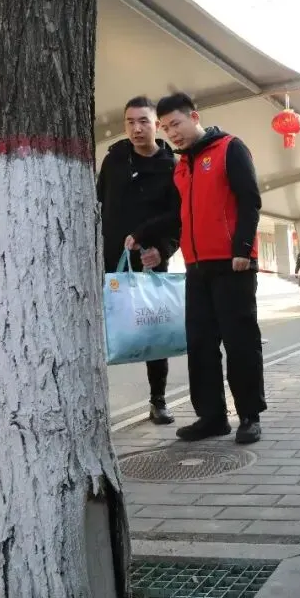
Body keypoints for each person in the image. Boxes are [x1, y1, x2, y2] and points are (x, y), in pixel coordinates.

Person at [150, 92, 266, 444]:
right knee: (200, 344)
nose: (172, 132)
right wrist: (144, 236)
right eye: (165, 128)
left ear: (194, 117)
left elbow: (249, 200)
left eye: (176, 124)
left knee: (240, 341)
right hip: (196, 267)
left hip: (234, 263)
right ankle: (212, 417)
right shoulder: (181, 166)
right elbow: (179, 215)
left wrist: (242, 248)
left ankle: (249, 415)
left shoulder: (230, 148)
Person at [97, 96, 180, 425]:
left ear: (156, 125)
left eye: (143, 121)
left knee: (154, 331)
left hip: (150, 261)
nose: (136, 128)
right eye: (130, 122)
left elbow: (178, 219)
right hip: (111, 261)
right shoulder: (114, 161)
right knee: (104, 331)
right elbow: (98, 205)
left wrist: (163, 249)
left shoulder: (171, 167)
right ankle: (94, 403)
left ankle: (158, 400)